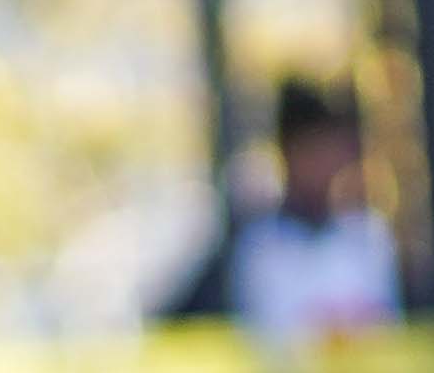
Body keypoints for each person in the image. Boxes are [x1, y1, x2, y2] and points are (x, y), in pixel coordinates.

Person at [162, 77, 404, 338]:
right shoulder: (254, 247)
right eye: (313, 150)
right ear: (288, 151)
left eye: (332, 150)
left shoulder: (368, 239)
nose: (324, 164)